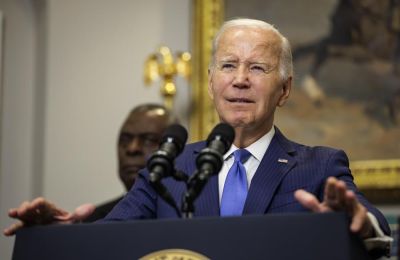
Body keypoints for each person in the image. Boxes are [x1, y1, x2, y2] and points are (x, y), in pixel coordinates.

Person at [4, 18, 392, 255]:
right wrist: (63, 235)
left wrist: (355, 223)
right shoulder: (169, 167)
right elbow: (111, 240)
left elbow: (376, 230)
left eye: (257, 67)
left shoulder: (319, 165)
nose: (240, 78)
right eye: (228, 65)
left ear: (285, 89)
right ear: (211, 83)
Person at [3, 103, 176, 233]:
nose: (132, 149)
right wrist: (51, 234)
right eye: (125, 139)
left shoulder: (193, 212)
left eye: (148, 139)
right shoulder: (94, 220)